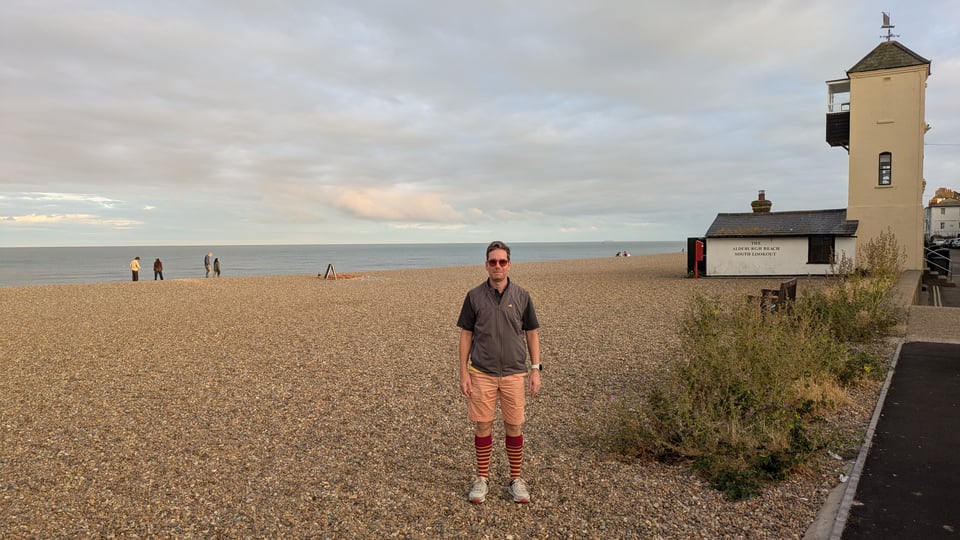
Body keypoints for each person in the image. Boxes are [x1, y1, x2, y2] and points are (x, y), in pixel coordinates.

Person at [457, 240, 542, 504]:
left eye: (502, 261)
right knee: (483, 425)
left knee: (513, 425)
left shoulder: (522, 296)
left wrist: (535, 369)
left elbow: (532, 333)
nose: (497, 266)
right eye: (493, 262)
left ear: (509, 265)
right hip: (481, 371)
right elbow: (466, 335)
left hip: (515, 373)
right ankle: (482, 478)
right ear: (486, 265)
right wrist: (463, 372)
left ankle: (515, 479)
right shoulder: (474, 296)